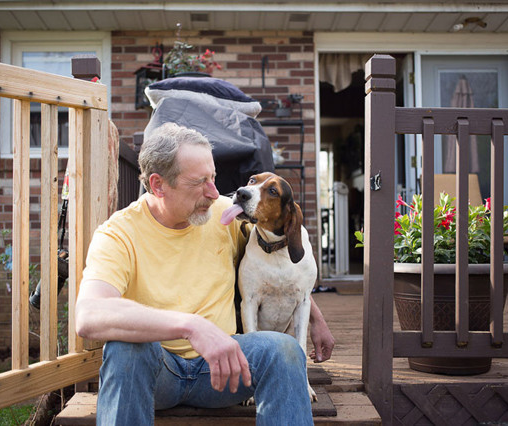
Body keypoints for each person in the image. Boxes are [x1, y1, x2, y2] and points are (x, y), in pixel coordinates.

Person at [75, 122, 335, 425]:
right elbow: (90, 315)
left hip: (227, 368)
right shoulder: (118, 234)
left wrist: (315, 316)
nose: (214, 193)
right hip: (159, 372)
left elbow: (276, 263)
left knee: (285, 350)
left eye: (214, 178)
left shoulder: (223, 215)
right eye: (199, 183)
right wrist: (190, 326)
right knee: (124, 350)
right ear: (158, 185)